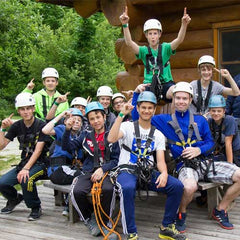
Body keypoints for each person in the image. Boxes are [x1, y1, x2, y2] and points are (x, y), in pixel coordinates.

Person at [131, 82, 240, 231]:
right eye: (178, 98)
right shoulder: (163, 120)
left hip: (204, 162)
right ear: (174, 100)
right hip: (184, 165)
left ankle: (220, 209)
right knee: (189, 187)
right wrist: (137, 94)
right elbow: (137, 116)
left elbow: (210, 143)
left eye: (185, 98)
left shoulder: (200, 120)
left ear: (190, 100)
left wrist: (198, 150)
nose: (181, 101)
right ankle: (181, 212)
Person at [108, 91, 187, 240]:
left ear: (154, 109)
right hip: (127, 170)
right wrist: (121, 115)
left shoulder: (158, 134)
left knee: (176, 186)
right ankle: (130, 232)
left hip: (147, 172)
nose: (146, 110)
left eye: (150, 108)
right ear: (137, 108)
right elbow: (111, 138)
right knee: (127, 188)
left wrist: (163, 173)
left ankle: (166, 227)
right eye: (143, 107)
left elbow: (161, 160)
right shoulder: (126, 126)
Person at [61, 102, 120, 240]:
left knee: (108, 189)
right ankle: (89, 219)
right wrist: (67, 130)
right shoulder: (85, 136)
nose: (96, 121)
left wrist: (103, 169)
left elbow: (116, 160)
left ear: (104, 117)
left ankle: (106, 222)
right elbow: (67, 146)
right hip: (88, 170)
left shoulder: (112, 134)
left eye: (98, 117)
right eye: (92, 118)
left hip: (108, 170)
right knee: (76, 191)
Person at [119, 6, 191, 101]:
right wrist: (125, 25)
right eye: (150, 34)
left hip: (166, 83)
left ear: (159, 35)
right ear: (146, 35)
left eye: (155, 33)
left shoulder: (165, 48)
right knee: (143, 100)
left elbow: (179, 40)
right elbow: (129, 42)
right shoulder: (143, 51)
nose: (153, 37)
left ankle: (174, 116)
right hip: (149, 83)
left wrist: (184, 24)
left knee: (176, 92)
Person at [0, 92, 51, 220]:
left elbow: (38, 151)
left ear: (33, 108)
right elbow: (1, 146)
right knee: (2, 183)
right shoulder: (16, 126)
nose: (26, 112)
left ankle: (35, 207)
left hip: (41, 163)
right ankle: (14, 199)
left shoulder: (41, 125)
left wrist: (26, 169)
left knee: (25, 179)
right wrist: (3, 129)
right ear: (18, 111)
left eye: (28, 108)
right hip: (24, 162)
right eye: (22, 109)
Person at [42, 108, 84, 216]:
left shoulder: (79, 137)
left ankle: (68, 206)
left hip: (67, 168)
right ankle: (69, 207)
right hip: (57, 169)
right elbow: (45, 130)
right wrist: (61, 115)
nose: (76, 122)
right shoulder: (62, 129)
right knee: (82, 177)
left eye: (79, 120)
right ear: (66, 121)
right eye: (73, 119)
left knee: (82, 176)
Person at [208, 95, 240, 166]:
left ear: (224, 111)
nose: (216, 113)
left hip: (235, 153)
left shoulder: (229, 120)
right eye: (213, 111)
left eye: (219, 111)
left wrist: (230, 166)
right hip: (222, 152)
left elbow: (228, 143)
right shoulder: (210, 121)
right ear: (209, 111)